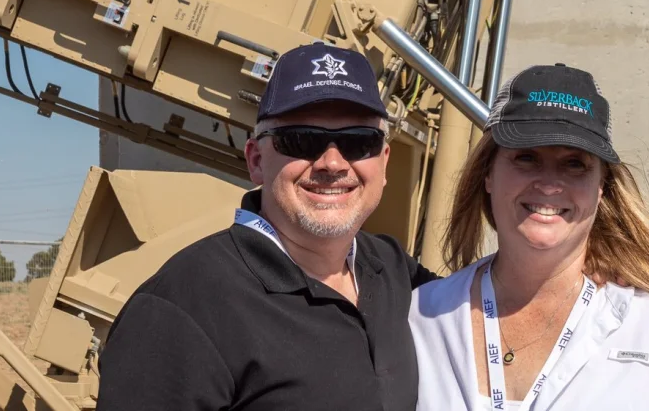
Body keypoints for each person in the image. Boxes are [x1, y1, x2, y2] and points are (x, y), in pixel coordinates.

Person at [96, 41, 439, 410]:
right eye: (301, 139)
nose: (333, 163)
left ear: (384, 162)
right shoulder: (182, 306)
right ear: (256, 160)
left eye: (360, 142)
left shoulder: (392, 269)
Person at [408, 63, 649, 411]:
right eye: (526, 157)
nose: (549, 183)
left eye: (575, 164)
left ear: (601, 187)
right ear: (488, 175)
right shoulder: (419, 318)